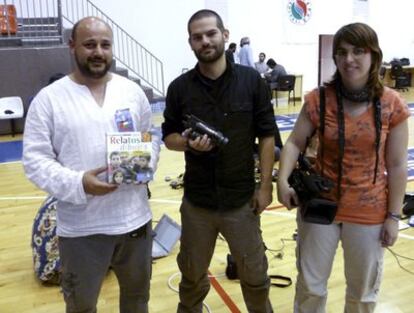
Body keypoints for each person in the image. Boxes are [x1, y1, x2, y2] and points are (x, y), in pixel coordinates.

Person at [23, 16, 160, 313]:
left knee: (137, 301)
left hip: (134, 221)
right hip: (82, 229)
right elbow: (35, 161)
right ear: (72, 46)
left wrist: (145, 163)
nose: (98, 51)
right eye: (89, 44)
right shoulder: (49, 100)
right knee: (81, 306)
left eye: (105, 45)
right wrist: (78, 183)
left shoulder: (132, 92)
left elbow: (150, 139)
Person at [277, 22, 409, 313]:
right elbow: (294, 143)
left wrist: (393, 216)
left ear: (374, 55)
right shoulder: (318, 99)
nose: (349, 59)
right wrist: (282, 181)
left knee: (362, 293)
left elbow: (398, 165)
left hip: (369, 211)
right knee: (311, 287)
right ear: (335, 58)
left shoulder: (392, 104)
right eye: (342, 52)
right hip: (321, 205)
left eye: (358, 51)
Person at [162, 9, 276, 313]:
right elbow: (168, 137)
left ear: (225, 35)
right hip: (198, 204)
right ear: (190, 43)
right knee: (192, 278)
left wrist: (265, 187)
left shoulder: (252, 82)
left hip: (241, 202)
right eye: (197, 37)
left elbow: (267, 137)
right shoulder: (179, 88)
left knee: (255, 276)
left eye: (211, 33)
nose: (205, 41)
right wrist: (188, 143)